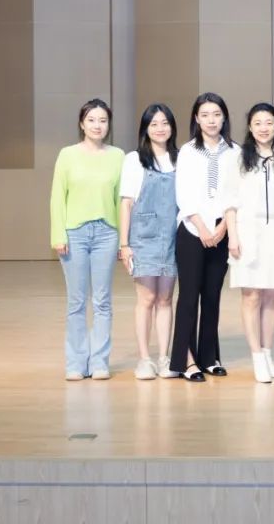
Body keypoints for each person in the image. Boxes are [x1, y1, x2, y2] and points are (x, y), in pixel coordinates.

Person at [50, 98, 124, 381]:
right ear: (82, 123)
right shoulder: (67, 155)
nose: (97, 125)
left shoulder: (118, 156)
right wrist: (58, 234)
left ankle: (99, 362)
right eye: (91, 120)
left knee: (103, 301)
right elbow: (58, 197)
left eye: (103, 120)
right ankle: (76, 363)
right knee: (77, 302)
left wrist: (123, 240)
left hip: (107, 233)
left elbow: (120, 199)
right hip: (74, 234)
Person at [223, 103, 274, 384]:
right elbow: (229, 202)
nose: (263, 128)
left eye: (268, 122)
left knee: (272, 296)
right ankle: (256, 357)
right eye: (257, 123)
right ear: (250, 127)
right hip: (247, 235)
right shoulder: (238, 158)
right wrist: (232, 236)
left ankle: (267, 355)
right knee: (252, 295)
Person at [170, 93, 236, 382]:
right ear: (196, 119)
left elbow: (236, 194)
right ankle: (185, 361)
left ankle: (209, 357)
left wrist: (223, 228)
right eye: (205, 115)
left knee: (212, 297)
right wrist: (203, 227)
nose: (211, 120)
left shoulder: (234, 151)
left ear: (224, 118)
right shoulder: (187, 151)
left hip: (221, 230)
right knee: (188, 297)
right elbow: (183, 194)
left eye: (217, 114)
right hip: (192, 230)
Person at [118, 103, 180, 381]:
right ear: (145, 128)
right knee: (146, 299)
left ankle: (165, 358)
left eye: (165, 123)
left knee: (166, 298)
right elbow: (126, 203)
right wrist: (124, 244)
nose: (160, 128)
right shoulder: (134, 159)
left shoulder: (180, 158)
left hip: (174, 238)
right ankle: (144, 359)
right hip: (143, 238)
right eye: (154, 124)